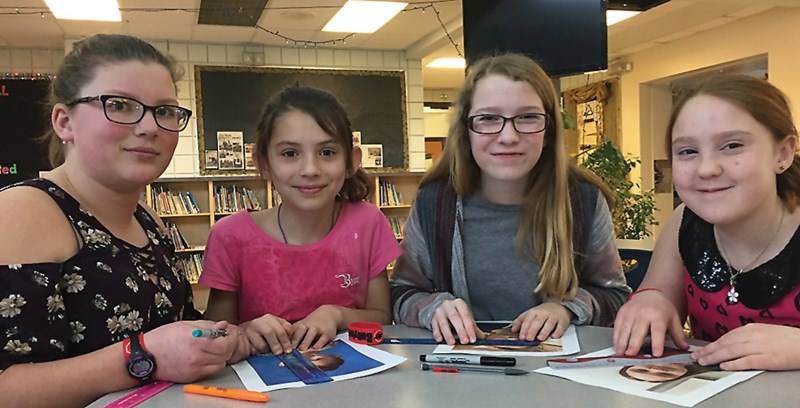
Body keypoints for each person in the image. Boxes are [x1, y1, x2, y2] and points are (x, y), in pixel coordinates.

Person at [0, 34, 248, 408]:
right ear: (65, 122)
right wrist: (139, 357)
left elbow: (179, 329)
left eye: (164, 110)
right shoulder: (21, 211)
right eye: (119, 104)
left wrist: (236, 336)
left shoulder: (151, 221)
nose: (150, 127)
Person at [389, 53, 629, 345]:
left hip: (557, 378)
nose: (508, 136)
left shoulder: (582, 201)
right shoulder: (435, 204)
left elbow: (615, 296)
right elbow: (401, 294)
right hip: (456, 374)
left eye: (527, 117)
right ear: (466, 130)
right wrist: (432, 308)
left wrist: (566, 307)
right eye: (489, 119)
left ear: (550, 130)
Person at [613, 74, 800, 371]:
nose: (707, 168)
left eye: (732, 145)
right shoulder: (683, 221)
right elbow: (657, 291)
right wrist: (650, 302)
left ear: (783, 153)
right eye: (688, 151)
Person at [200, 85, 401, 355]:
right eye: (290, 153)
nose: (310, 169)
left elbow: (382, 317)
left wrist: (335, 315)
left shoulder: (367, 222)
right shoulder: (230, 236)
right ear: (263, 164)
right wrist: (244, 330)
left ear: (351, 161)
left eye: (327, 152)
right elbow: (213, 332)